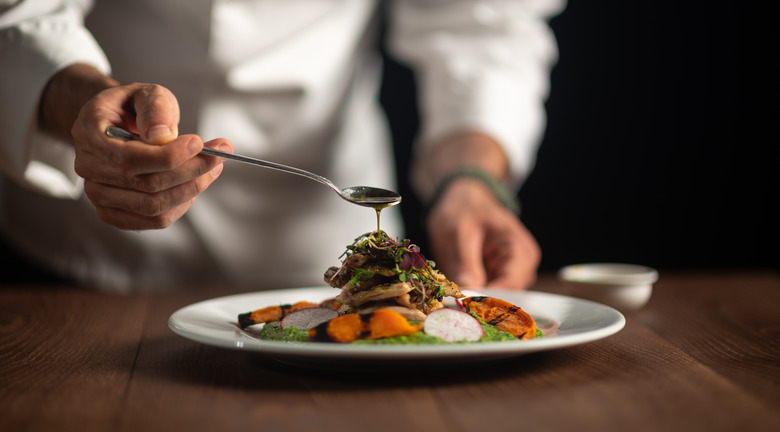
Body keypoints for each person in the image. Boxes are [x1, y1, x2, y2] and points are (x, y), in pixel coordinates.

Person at [0, 0, 564, 293]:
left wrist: (471, 180)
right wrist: (83, 100)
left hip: (316, 234)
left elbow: (478, 25)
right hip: (82, 251)